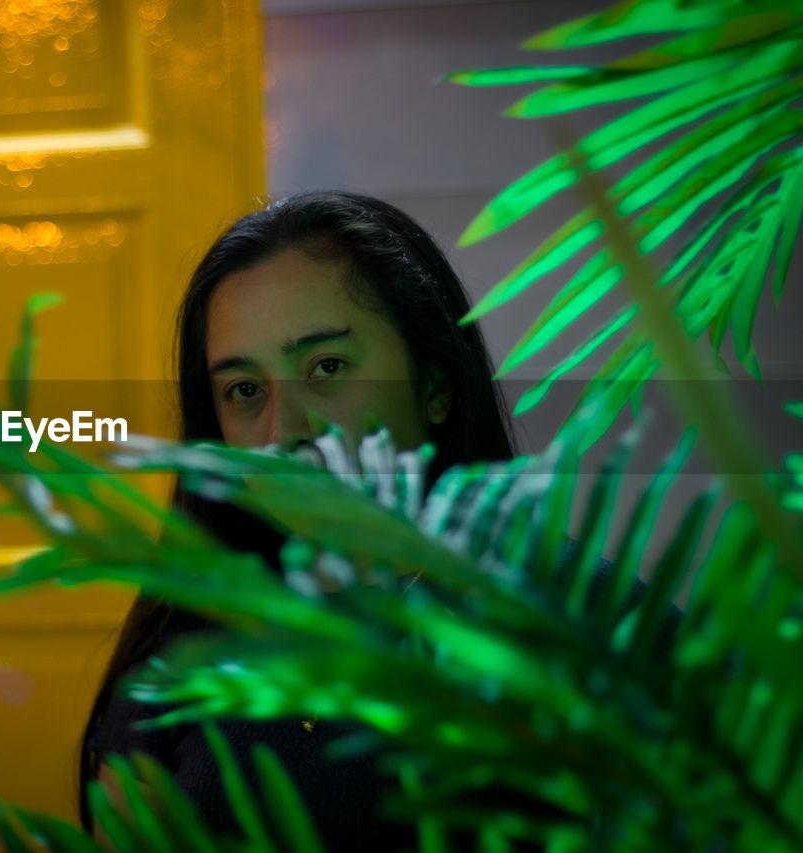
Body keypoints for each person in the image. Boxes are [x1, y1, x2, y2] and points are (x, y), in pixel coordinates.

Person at [75, 190, 669, 850]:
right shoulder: (187, 638)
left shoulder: (586, 625)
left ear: (435, 385)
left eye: (327, 367)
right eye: (245, 390)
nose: (286, 430)